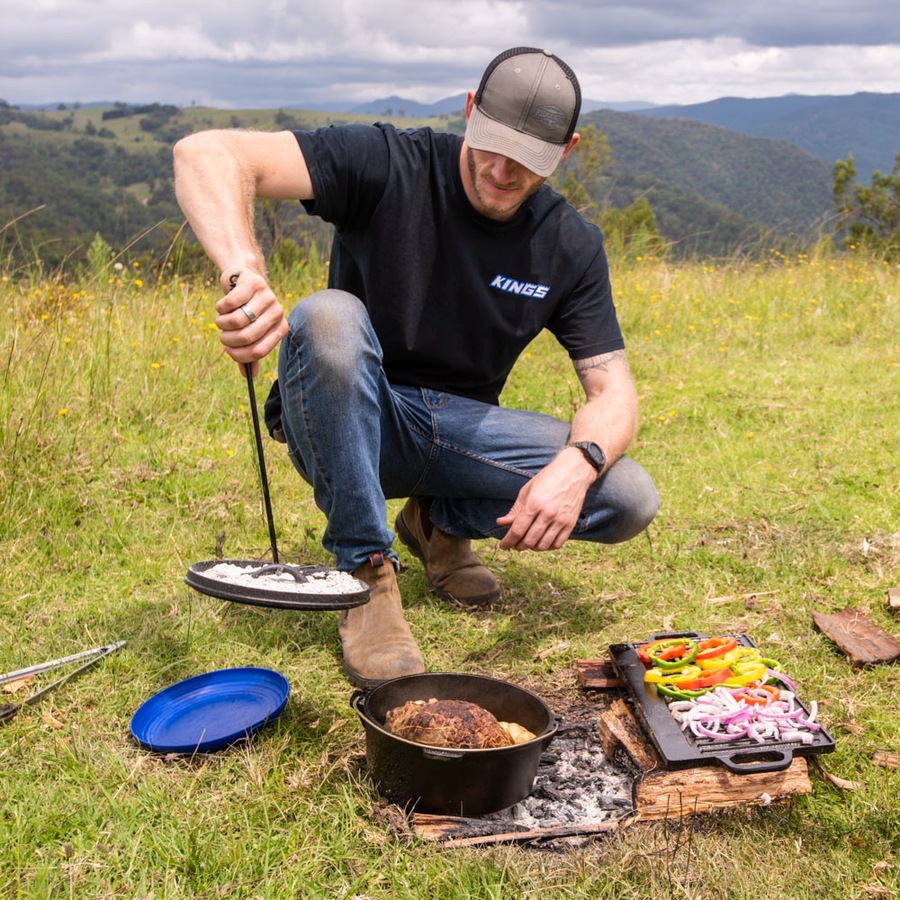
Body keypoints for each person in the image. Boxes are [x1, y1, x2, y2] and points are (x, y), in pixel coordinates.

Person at [173, 46, 659, 688]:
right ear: (469, 111)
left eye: (530, 160)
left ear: (565, 150)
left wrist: (577, 465)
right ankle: (366, 572)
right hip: (344, 415)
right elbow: (205, 153)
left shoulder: (568, 244)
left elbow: (612, 388)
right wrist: (245, 271)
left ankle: (436, 521)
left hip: (455, 432)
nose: (503, 171)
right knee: (327, 316)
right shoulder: (388, 163)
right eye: (491, 143)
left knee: (625, 497)